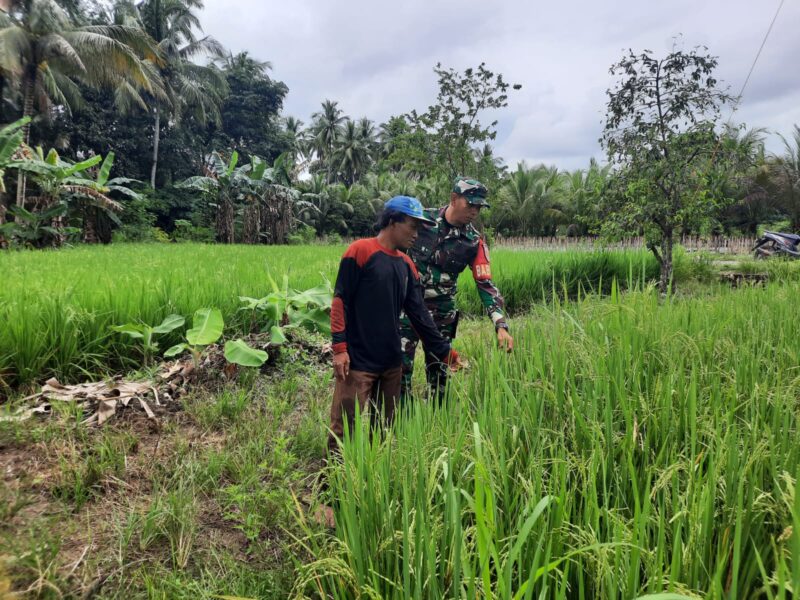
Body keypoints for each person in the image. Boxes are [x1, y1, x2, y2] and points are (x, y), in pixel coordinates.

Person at [327, 195, 461, 460]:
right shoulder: (360, 251)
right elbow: (340, 300)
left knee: (384, 429)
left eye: (419, 228)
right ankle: (331, 492)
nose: (416, 234)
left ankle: (375, 483)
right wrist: (340, 348)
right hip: (358, 362)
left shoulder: (406, 265)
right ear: (392, 221)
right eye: (412, 226)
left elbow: (420, 315)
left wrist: (444, 351)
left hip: (391, 364)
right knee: (343, 430)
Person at [400, 176, 513, 402]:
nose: (474, 211)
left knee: (439, 373)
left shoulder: (474, 241)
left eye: (479, 207)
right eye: (470, 204)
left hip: (441, 314)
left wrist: (500, 324)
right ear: (454, 198)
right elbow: (391, 246)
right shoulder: (422, 221)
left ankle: (436, 420)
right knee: (399, 369)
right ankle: (400, 422)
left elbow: (485, 284)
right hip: (407, 309)